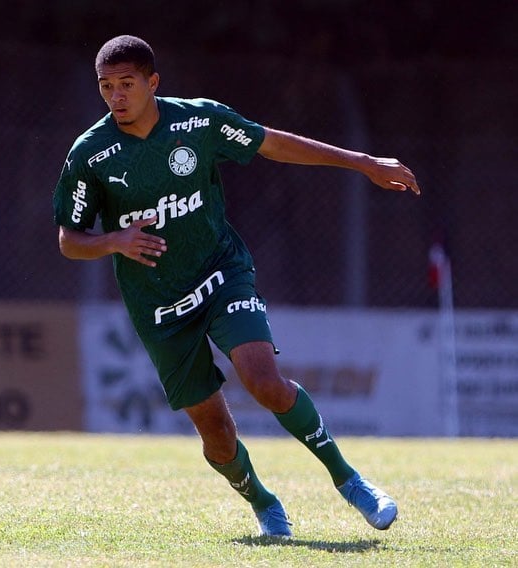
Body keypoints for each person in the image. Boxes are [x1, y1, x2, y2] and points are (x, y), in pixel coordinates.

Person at [52, 35, 420, 538]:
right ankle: (264, 503)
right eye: (107, 87)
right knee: (218, 437)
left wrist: (362, 162)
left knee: (264, 381)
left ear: (152, 83)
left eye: (127, 84)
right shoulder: (90, 153)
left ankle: (349, 480)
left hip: (220, 271)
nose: (117, 96)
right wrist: (113, 240)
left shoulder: (198, 121)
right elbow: (70, 240)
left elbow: (272, 143)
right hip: (157, 304)